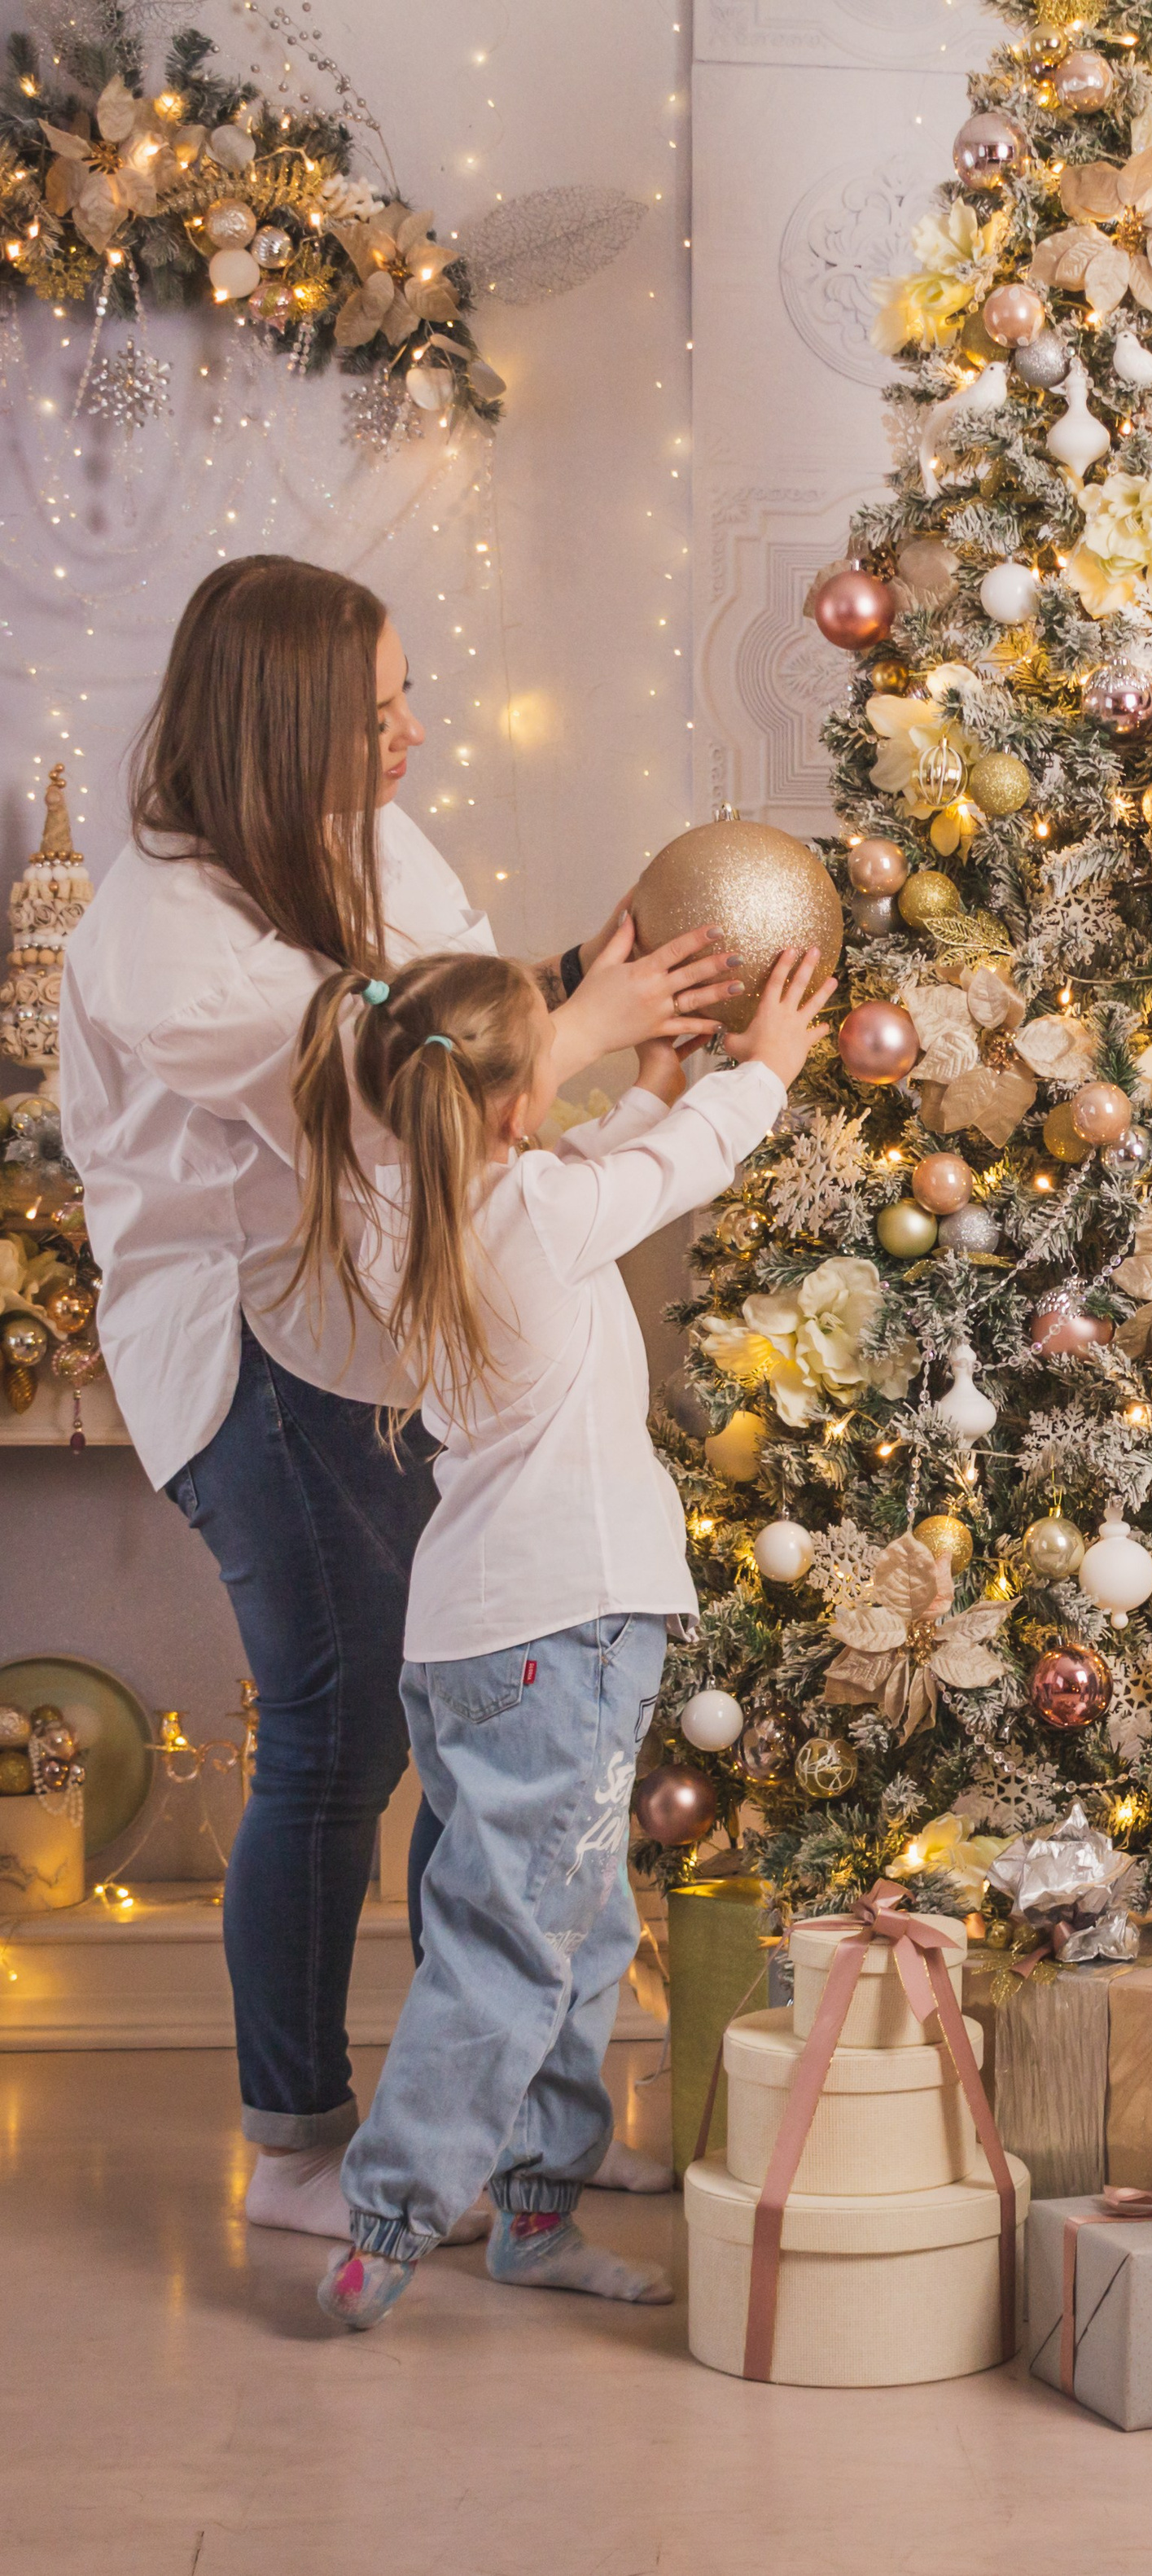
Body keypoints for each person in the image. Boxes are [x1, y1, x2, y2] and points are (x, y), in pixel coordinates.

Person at [59, 556, 734, 2241]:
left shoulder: (367, 837)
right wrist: (603, 1027)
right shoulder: (164, 942)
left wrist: (584, 979)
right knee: (340, 1732)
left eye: (407, 694)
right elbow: (392, 1095)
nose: (412, 732)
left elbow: (455, 1024)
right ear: (285, 726)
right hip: (245, 1354)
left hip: (383, 1326)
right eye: (376, 713)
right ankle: (299, 2145)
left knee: (464, 1732)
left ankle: (498, 2126)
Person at [286, 940, 831, 2328]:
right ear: (521, 1103)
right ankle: (388, 2222)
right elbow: (669, 1170)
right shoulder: (531, 1210)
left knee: (573, 1928)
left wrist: (648, 1084)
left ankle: (538, 2210)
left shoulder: (407, 1208)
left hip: (470, 1638)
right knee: (515, 1942)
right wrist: (762, 1068)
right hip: (562, 1633)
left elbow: (597, 1172)